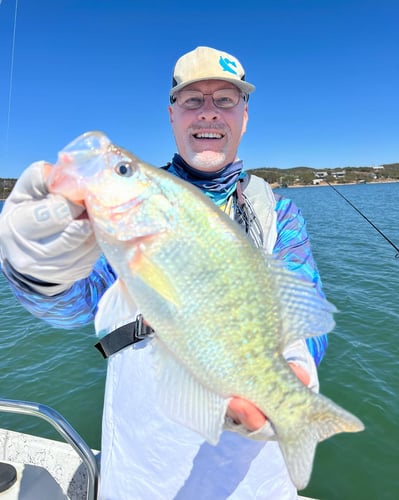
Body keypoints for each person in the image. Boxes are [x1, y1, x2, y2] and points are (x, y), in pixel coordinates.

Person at [0, 46, 328, 499]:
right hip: (145, 472)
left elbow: (306, 316)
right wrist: (37, 269)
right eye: (192, 100)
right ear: (172, 115)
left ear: (245, 115)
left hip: (254, 481)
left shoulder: (279, 212)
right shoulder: (123, 211)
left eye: (225, 100)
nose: (209, 114)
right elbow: (72, 306)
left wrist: (294, 372)